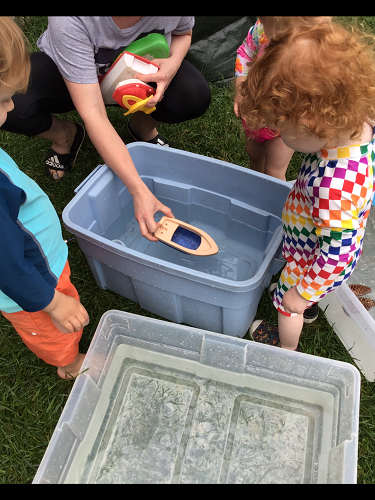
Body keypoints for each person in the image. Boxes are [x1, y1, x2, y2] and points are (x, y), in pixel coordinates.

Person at [1, 16, 212, 242]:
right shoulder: (70, 20)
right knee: (13, 105)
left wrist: (174, 62)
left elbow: (184, 33)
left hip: (139, 76)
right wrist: (138, 190)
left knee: (194, 94)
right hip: (69, 78)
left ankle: (141, 128)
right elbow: (95, 113)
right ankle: (65, 136)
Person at [237, 22, 375, 351]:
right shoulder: (360, 122)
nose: (277, 134)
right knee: (302, 292)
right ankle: (310, 304)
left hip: (316, 258)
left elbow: (336, 256)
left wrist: (301, 293)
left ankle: (287, 353)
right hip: (317, 231)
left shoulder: (333, 188)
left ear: (313, 122)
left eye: (281, 126)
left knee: (287, 304)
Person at [0, 17, 89, 379]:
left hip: (42, 264)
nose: (9, 109)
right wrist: (52, 302)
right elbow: (6, 265)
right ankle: (67, 363)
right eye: (3, 99)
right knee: (55, 330)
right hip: (34, 282)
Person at [234, 16, 331, 181]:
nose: (262, 25)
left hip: (284, 123)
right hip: (255, 111)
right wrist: (241, 86)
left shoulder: (310, 50)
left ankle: (271, 203)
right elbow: (245, 51)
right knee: (254, 153)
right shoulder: (264, 27)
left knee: (274, 170)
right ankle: (256, 186)